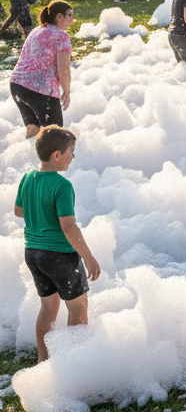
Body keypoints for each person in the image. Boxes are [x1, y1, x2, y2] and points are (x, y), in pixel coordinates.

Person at [15, 126, 101, 363]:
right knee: (78, 306)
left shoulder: (28, 178)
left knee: (48, 307)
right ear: (57, 155)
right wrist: (89, 258)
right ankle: (74, 365)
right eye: (71, 152)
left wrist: (40, 211)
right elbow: (68, 226)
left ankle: (44, 361)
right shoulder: (62, 186)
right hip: (59, 255)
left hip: (33, 253)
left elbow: (19, 211)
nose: (73, 157)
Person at [9, 1, 74, 137]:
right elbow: (64, 70)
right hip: (39, 90)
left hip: (17, 85)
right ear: (59, 17)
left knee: (33, 131)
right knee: (56, 135)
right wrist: (67, 91)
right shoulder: (61, 36)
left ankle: (28, 152)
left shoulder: (37, 30)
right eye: (70, 15)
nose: (72, 20)